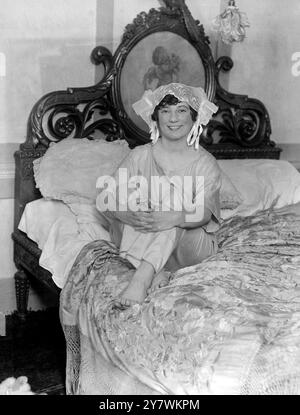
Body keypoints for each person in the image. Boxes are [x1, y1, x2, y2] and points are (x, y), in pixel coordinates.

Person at [96, 83, 221, 307]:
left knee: (173, 207)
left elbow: (202, 214)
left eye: (181, 110)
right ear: (155, 117)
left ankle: (141, 278)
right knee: (139, 202)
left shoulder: (205, 162)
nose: (173, 119)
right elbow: (107, 197)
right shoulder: (139, 156)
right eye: (165, 111)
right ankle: (159, 270)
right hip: (142, 233)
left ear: (195, 117)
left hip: (190, 246)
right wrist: (128, 214)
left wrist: (172, 217)